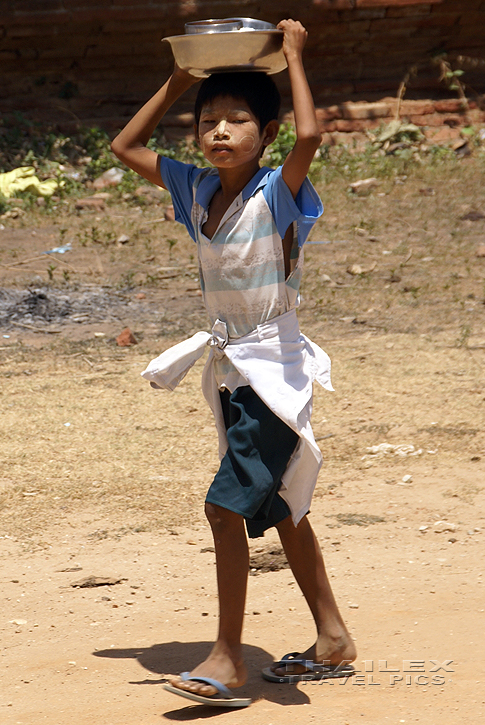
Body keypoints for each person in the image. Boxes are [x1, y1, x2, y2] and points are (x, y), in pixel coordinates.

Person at [111, 18, 356, 708]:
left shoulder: (276, 190)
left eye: (237, 120)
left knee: (225, 507)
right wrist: (178, 79)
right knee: (279, 506)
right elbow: (124, 144)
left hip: (272, 372)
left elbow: (310, 135)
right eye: (208, 121)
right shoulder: (195, 194)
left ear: (265, 135)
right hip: (230, 373)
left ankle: (227, 660)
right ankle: (332, 637)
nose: (219, 132)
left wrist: (296, 57)